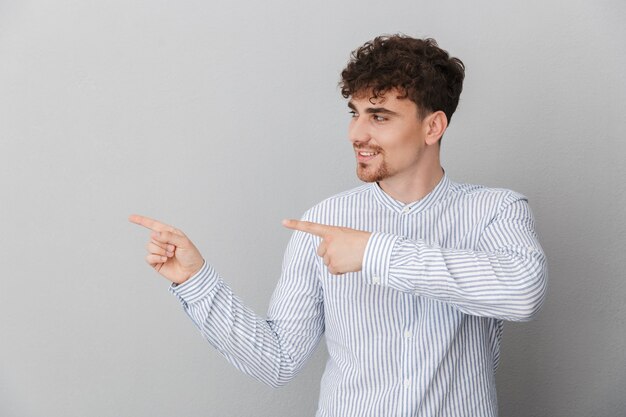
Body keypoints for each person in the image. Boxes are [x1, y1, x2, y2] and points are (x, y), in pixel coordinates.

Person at [129, 34, 547, 417]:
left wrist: (372, 253)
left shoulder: (495, 210)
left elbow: (522, 292)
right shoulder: (324, 222)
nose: (355, 133)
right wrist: (196, 282)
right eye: (355, 113)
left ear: (432, 126)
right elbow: (277, 361)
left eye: (379, 117)